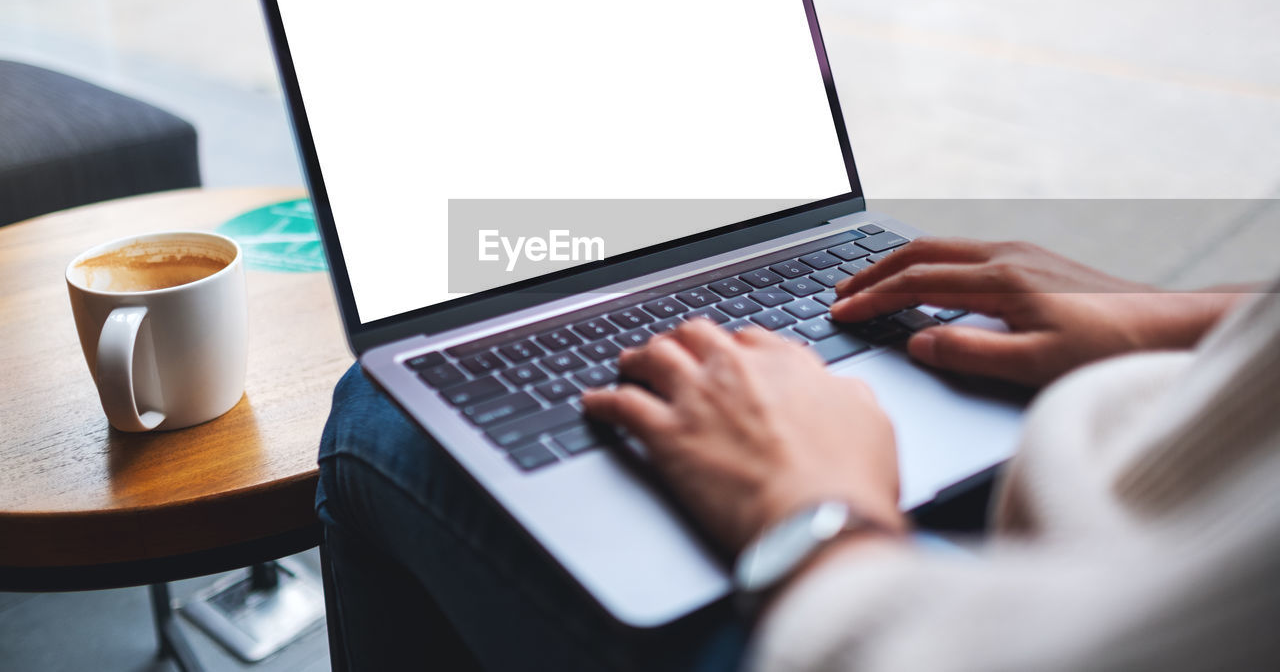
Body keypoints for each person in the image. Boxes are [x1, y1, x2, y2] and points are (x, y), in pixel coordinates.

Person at [316, 238, 1280, 671]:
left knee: (380, 412)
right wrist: (1193, 321)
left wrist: (817, 515)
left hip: (945, 619)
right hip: (1134, 476)